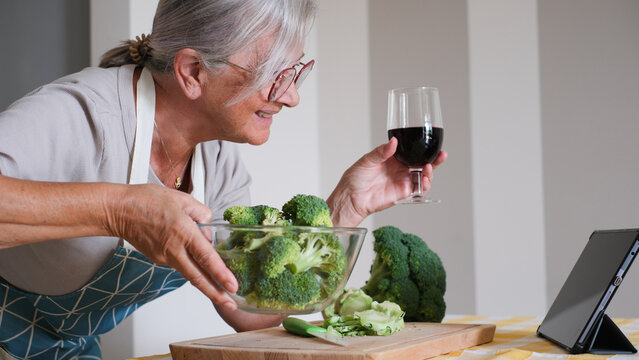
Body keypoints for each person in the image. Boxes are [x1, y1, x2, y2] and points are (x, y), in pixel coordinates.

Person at [0, 0, 447, 359]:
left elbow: (249, 310)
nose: (290, 97)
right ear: (193, 71)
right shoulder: (83, 115)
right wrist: (120, 210)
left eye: (296, 72)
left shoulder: (217, 162)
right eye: (274, 75)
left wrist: (346, 206)